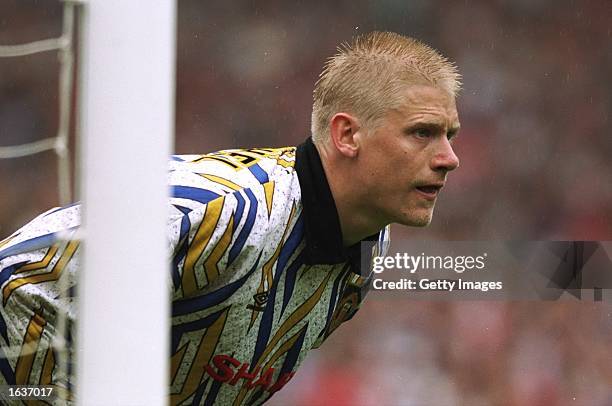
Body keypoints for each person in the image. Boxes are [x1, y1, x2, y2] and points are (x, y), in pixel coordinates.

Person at [0, 31, 461, 405]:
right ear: (347, 135)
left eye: (450, 135)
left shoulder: (366, 248)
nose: (449, 158)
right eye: (422, 133)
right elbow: (13, 277)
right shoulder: (225, 211)